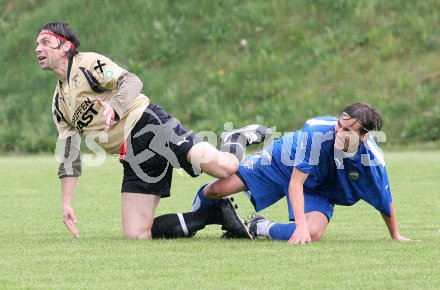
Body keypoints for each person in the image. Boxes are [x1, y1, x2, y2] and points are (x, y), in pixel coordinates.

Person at [35, 21, 271, 240]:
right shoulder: (58, 103)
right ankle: (212, 214)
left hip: (150, 126)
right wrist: (66, 203)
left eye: (45, 42)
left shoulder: (87, 64)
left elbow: (131, 81)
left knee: (225, 168)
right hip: (132, 154)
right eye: (37, 44)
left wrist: (115, 107)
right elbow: (69, 155)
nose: (38, 48)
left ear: (66, 45)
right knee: (137, 234)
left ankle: (235, 137)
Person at [191, 103, 412, 244]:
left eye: (347, 130)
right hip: (282, 161)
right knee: (217, 190)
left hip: (318, 185)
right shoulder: (316, 133)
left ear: (364, 136)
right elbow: (295, 183)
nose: (338, 131)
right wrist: (300, 224)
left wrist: (395, 235)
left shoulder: (372, 160)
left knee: (313, 233)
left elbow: (385, 199)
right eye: (338, 124)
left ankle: (257, 226)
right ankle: (236, 139)